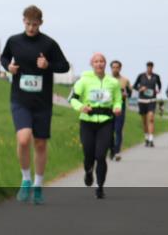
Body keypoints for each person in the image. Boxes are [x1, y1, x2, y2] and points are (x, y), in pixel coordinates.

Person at [0, 5, 71, 205]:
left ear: (41, 23)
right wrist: (9, 67)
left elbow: (64, 65)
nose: (31, 28)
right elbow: (4, 58)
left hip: (42, 102)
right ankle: (26, 179)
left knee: (40, 143)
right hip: (20, 99)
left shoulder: (48, 44)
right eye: (28, 24)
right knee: (23, 139)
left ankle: (38, 184)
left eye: (34, 24)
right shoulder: (14, 41)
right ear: (23, 21)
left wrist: (48, 65)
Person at [69, 53, 123, 199]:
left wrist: (117, 107)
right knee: (88, 154)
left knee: (100, 156)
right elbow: (72, 99)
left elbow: (118, 100)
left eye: (102, 61)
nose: (99, 64)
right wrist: (81, 107)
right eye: (96, 61)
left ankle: (100, 187)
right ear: (92, 64)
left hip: (106, 121)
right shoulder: (83, 81)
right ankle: (88, 171)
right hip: (87, 122)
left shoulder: (113, 82)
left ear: (105, 64)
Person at [133, 62, 162, 147]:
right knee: (144, 121)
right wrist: (140, 88)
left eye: (151, 67)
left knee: (151, 119)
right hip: (142, 100)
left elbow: (159, 86)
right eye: (148, 67)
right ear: (146, 67)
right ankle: (146, 137)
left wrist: (158, 90)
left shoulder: (156, 76)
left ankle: (151, 139)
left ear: (153, 67)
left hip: (152, 100)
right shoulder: (141, 76)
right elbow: (134, 86)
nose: (150, 68)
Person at [109, 60, 131, 161]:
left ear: (120, 68)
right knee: (109, 131)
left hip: (120, 107)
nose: (115, 69)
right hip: (108, 106)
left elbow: (130, 93)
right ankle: (111, 149)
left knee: (118, 130)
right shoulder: (106, 79)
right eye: (113, 67)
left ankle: (117, 151)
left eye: (117, 67)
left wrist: (126, 95)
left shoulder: (125, 80)